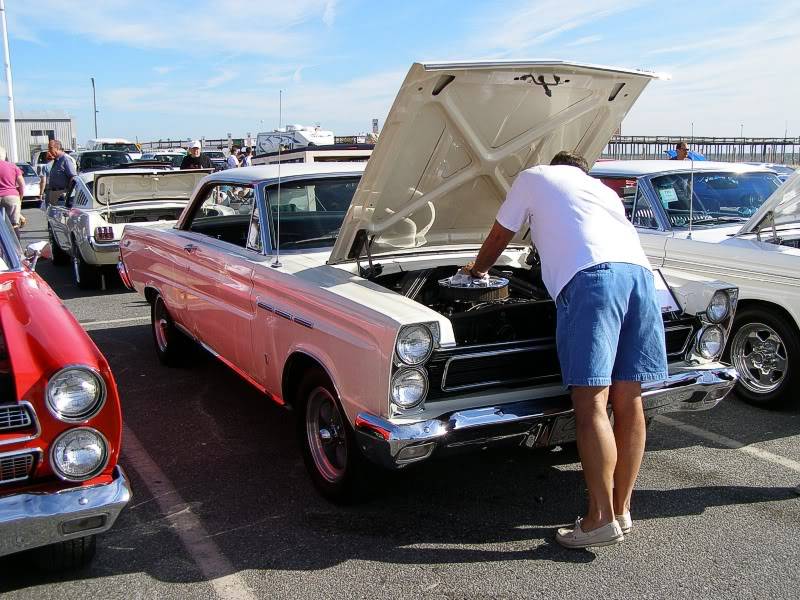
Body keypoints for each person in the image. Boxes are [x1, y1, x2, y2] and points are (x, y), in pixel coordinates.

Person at [463, 150, 667, 549]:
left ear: (555, 166)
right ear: (581, 172)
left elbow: (500, 235)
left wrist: (476, 272)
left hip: (592, 279)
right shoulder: (602, 191)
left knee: (591, 402)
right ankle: (621, 511)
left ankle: (598, 519)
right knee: (630, 401)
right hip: (641, 277)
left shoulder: (534, 176)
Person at [0, 146, 26, 233]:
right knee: (14, 224)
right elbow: (22, 184)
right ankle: (16, 245)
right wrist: (20, 198)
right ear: (4, 155)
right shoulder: (13, 166)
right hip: (11, 197)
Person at [45, 140, 77, 207]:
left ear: (57, 148)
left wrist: (68, 193)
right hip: (53, 193)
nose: (49, 151)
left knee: (60, 216)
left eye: (50, 148)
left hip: (61, 194)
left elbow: (73, 177)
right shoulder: (56, 160)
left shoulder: (65, 159)